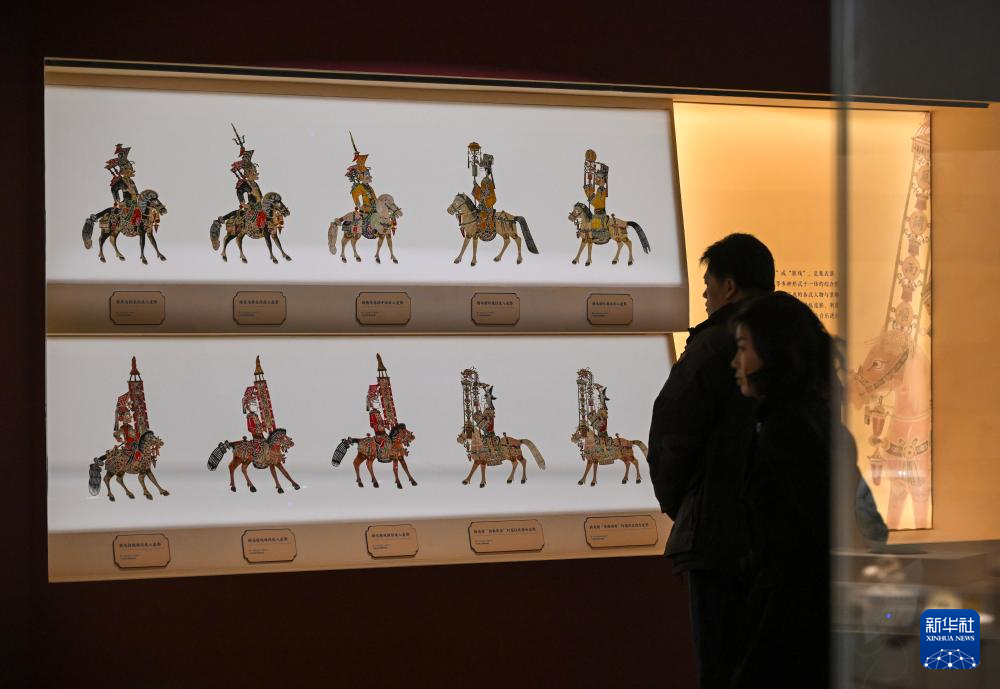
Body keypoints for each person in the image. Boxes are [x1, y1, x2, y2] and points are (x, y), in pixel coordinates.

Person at [646, 233, 775, 689]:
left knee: (722, 666)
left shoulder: (716, 344)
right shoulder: (799, 340)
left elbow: (672, 430)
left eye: (708, 285)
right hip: (779, 536)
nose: (704, 296)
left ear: (730, 286)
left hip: (718, 534)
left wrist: (681, 504)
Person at [727, 292, 840, 688]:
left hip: (791, 616)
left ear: (773, 351)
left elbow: (805, 537)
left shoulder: (786, 429)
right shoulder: (809, 416)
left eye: (743, 348)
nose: (735, 362)